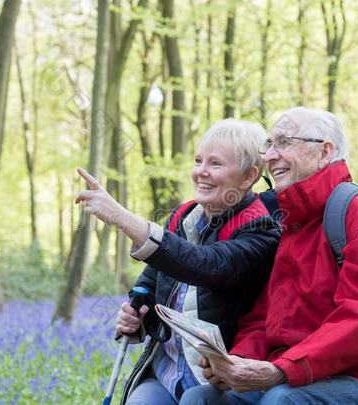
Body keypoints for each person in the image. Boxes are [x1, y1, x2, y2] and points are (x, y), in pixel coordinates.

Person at [179, 107, 358, 405]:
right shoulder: (294, 223)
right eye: (268, 145)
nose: (269, 156)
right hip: (313, 372)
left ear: (325, 151)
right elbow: (266, 318)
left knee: (283, 401)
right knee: (201, 399)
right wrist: (237, 362)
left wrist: (281, 370)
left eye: (283, 142)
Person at [74, 119, 281, 405]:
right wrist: (137, 319)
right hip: (167, 372)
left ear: (248, 176)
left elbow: (203, 265)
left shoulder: (261, 230)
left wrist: (123, 219)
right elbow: (152, 281)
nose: (201, 172)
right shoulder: (183, 217)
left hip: (215, 382)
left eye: (215, 164)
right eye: (198, 160)